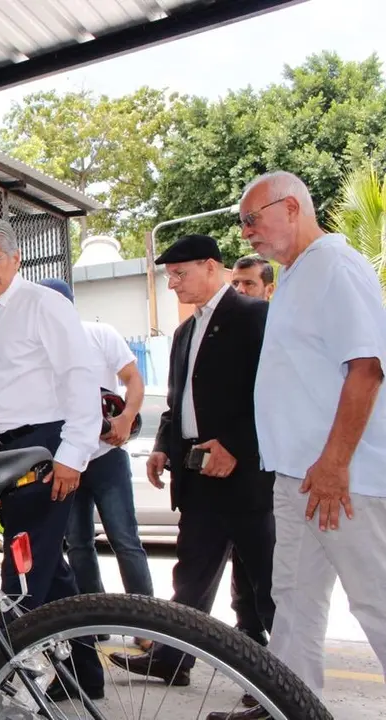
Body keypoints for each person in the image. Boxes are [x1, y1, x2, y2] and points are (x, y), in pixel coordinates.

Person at [208, 171, 386, 719]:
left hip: (343, 478)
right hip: (298, 476)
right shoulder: (296, 275)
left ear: (291, 208)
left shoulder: (336, 266)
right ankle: (285, 706)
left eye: (252, 219)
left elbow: (367, 367)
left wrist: (334, 463)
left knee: (376, 600)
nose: (246, 232)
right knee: (294, 599)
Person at [109, 234, 275, 691]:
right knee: (190, 579)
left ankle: (283, 685)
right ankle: (170, 659)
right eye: (169, 276)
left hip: (246, 478)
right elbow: (176, 402)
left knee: (267, 585)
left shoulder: (253, 316)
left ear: (211, 267)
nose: (173, 284)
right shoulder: (184, 332)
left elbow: (274, 393)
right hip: (198, 477)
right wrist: (164, 445)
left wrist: (236, 446)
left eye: (180, 274)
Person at [0, 219, 105, 701]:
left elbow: (79, 375)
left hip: (44, 446)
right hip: (4, 453)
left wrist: (73, 453)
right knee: (51, 571)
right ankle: (84, 674)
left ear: (16, 259)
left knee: (23, 571)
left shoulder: (44, 304)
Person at [36, 279, 154, 605]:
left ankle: (145, 615)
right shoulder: (37, 348)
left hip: (105, 456)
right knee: (77, 543)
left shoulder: (100, 334)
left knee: (124, 539)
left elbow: (133, 379)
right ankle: (93, 615)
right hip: (66, 458)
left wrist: (126, 417)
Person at [227, 253, 276, 648]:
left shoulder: (272, 331)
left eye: (249, 284)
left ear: (268, 289)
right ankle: (249, 634)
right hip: (230, 475)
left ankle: (283, 658)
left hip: (266, 471)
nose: (241, 291)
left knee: (267, 565)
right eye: (236, 284)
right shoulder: (222, 330)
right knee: (241, 563)